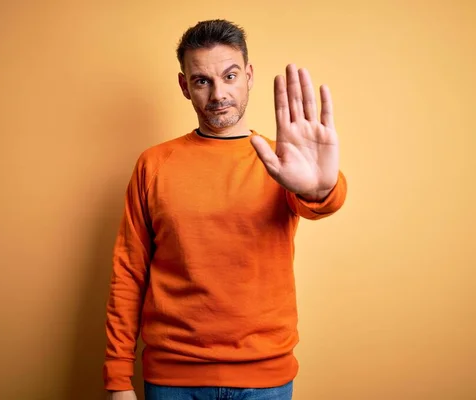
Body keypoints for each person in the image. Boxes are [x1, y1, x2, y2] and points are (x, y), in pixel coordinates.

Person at [104, 19, 347, 400]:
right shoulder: (154, 164)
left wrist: (322, 188)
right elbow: (129, 272)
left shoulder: (281, 161)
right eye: (202, 81)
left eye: (230, 76)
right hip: (173, 379)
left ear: (248, 76)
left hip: (265, 380)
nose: (219, 94)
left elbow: (321, 201)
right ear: (185, 86)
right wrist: (118, 378)